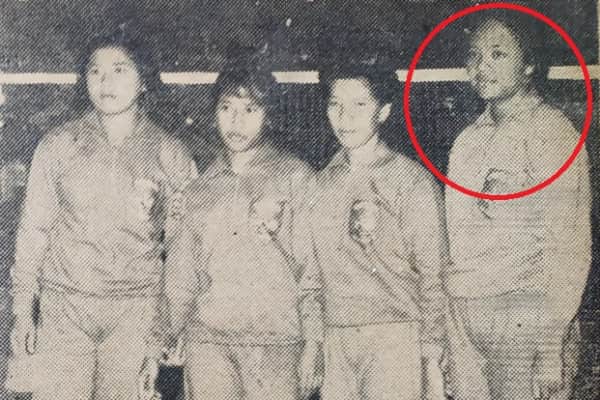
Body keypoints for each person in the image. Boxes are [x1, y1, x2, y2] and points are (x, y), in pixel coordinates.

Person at [6, 30, 197, 400]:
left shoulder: (171, 154)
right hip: (65, 308)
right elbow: (33, 231)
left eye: (119, 70)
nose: (105, 82)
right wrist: (23, 309)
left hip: (136, 310)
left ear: (144, 79)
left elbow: (184, 252)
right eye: (95, 71)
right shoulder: (58, 145)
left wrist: (170, 328)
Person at [141, 63, 324, 400]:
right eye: (226, 108)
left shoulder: (296, 177)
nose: (236, 122)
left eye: (250, 109)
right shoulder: (198, 190)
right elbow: (180, 282)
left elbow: (312, 270)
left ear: (268, 115)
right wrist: (155, 349)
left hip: (277, 344)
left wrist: (314, 342)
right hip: (209, 345)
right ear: (214, 114)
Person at [445, 12, 591, 400]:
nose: (482, 66)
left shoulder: (551, 132)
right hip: (465, 314)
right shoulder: (466, 140)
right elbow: (457, 240)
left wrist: (551, 344)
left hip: (523, 314)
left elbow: (568, 243)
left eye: (498, 54)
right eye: (474, 56)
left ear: (528, 65)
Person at [311, 62, 448, 400]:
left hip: (394, 336)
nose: (344, 117)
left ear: (383, 111)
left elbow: (434, 274)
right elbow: (313, 273)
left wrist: (432, 357)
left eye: (359, 104)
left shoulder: (411, 181)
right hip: (336, 337)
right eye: (335, 104)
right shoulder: (320, 183)